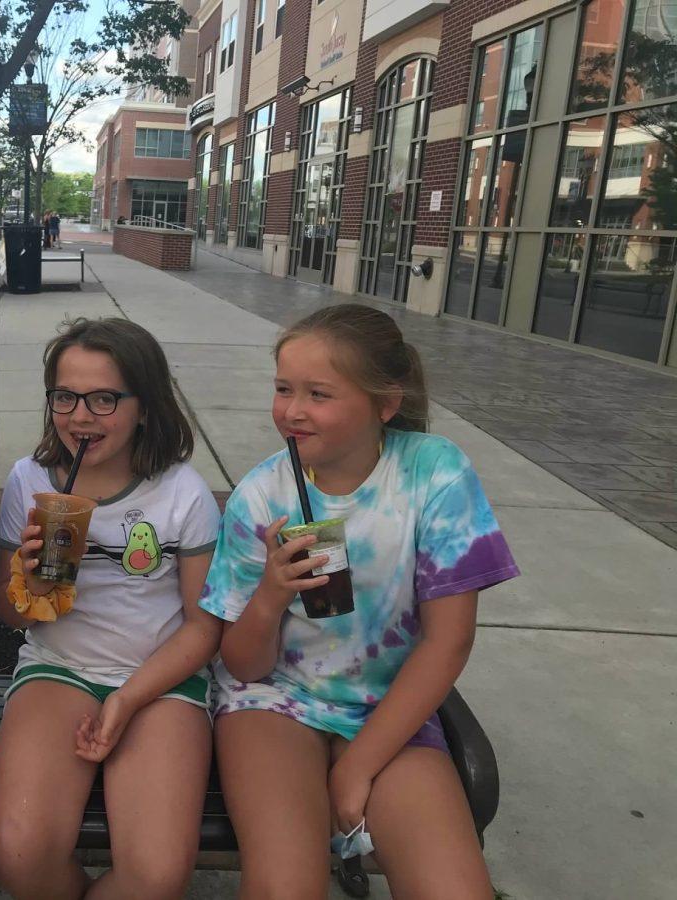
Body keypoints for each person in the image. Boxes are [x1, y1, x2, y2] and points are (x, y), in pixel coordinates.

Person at [200, 304, 519, 899]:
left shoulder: (434, 476)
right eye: (283, 389)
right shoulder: (263, 495)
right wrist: (271, 594)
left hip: (387, 703)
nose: (292, 411)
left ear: (386, 403)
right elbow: (243, 664)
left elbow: (449, 639)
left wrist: (357, 766)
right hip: (276, 698)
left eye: (318, 394)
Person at [0, 317, 223, 899]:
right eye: (65, 396)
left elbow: (203, 628)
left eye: (104, 399)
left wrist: (127, 697)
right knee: (20, 857)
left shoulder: (182, 492)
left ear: (144, 407)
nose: (80, 416)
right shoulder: (31, 481)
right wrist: (30, 587)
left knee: (157, 876)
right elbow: (9, 616)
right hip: (58, 667)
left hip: (161, 681)